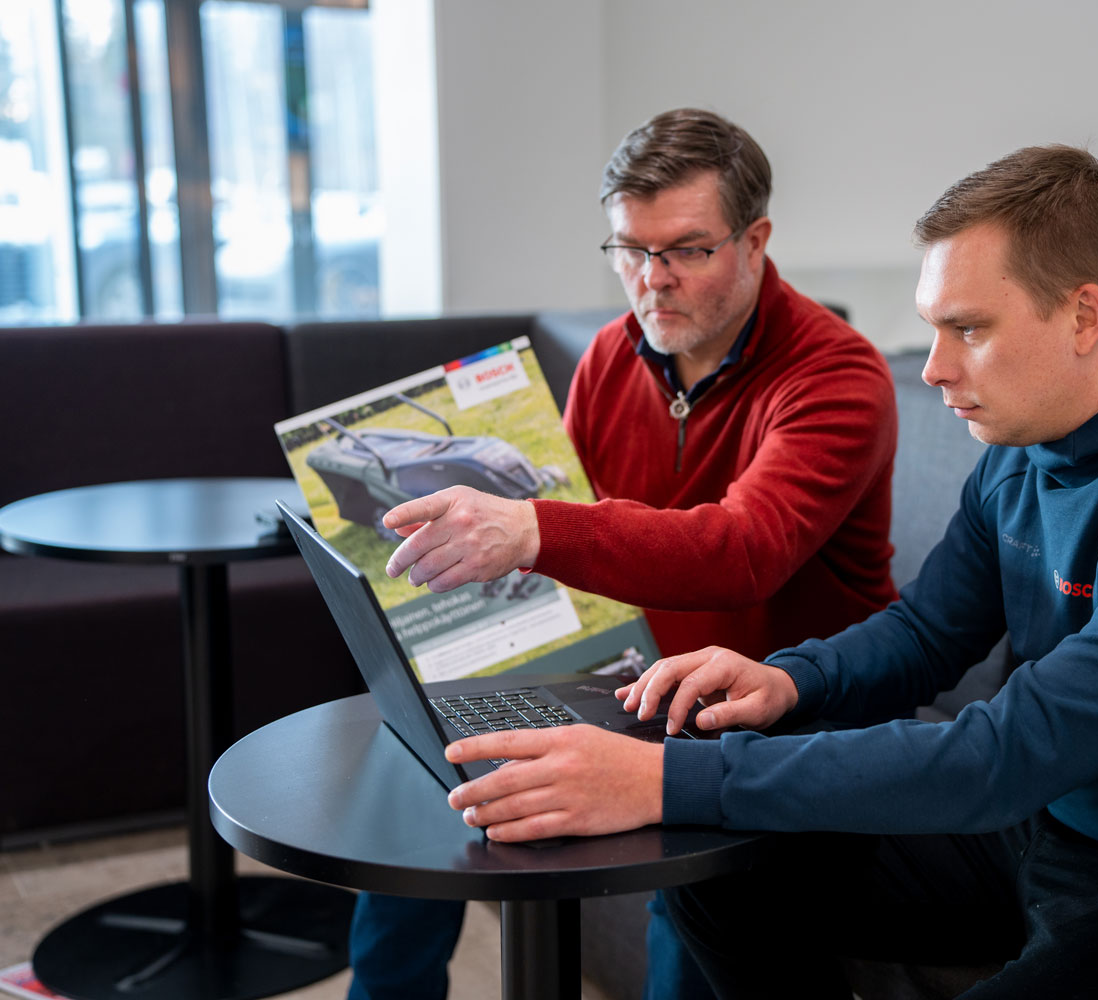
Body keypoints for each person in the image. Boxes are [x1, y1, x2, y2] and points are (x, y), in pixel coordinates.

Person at [439, 145, 1098, 999]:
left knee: (694, 805)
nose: (933, 368)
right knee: (715, 872)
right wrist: (791, 681)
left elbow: (1004, 754)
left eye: (969, 329)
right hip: (1067, 820)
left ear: (1085, 316)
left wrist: (664, 775)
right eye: (935, 327)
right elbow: (927, 633)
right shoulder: (1030, 440)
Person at [343, 109, 899, 1000]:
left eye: (686, 250)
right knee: (418, 770)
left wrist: (534, 530)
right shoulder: (610, 356)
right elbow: (574, 559)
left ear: (756, 241)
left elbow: (742, 552)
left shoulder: (837, 376)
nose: (652, 279)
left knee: (689, 919)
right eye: (630, 250)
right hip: (629, 684)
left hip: (778, 711)